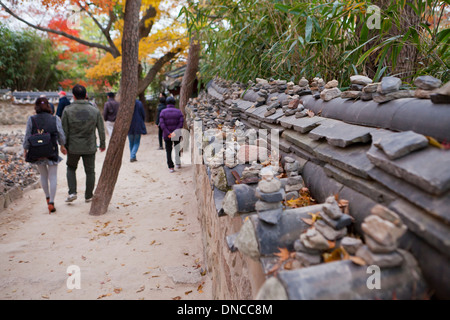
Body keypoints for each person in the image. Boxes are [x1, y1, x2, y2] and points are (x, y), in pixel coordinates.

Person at [61, 84, 106, 203]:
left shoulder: (67, 110)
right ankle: (88, 196)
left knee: (71, 168)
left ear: (74, 96)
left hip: (73, 146)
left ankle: (72, 192)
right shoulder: (94, 110)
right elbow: (101, 129)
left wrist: (63, 145)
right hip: (89, 146)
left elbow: (64, 130)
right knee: (90, 171)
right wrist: (102, 144)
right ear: (86, 95)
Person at [23, 97, 67, 214]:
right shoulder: (55, 119)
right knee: (53, 176)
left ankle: (47, 197)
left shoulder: (31, 119)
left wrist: (25, 149)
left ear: (36, 107)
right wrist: (62, 146)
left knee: (43, 175)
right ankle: (52, 202)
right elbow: (61, 134)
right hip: (51, 150)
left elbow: (27, 135)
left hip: (37, 151)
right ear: (48, 106)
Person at [158, 96, 184, 173]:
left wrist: (168, 133)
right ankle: (178, 163)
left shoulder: (163, 112)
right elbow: (181, 123)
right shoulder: (179, 112)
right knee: (177, 148)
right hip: (177, 134)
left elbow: (162, 124)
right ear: (174, 103)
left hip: (167, 135)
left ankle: (171, 167)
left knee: (168, 150)